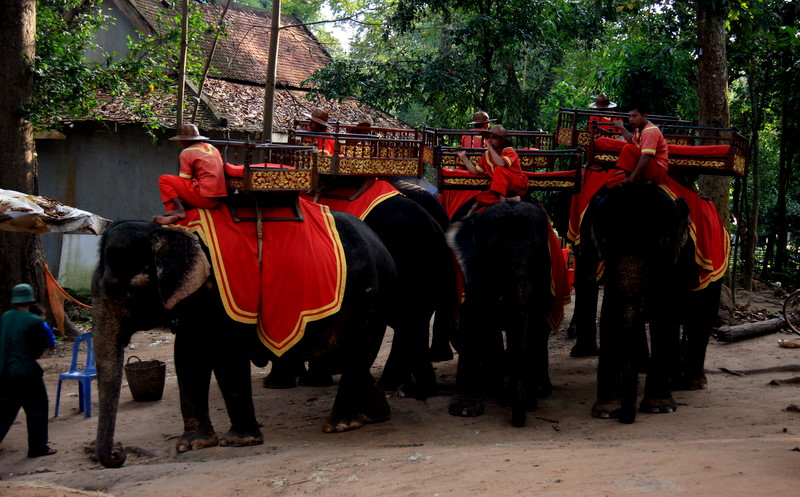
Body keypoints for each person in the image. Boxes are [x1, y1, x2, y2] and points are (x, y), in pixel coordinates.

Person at [0, 284, 58, 458]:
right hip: (26, 371)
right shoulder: (35, 321)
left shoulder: (5, 317)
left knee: (5, 411)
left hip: (4, 370)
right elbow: (40, 347)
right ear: (31, 299)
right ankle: (38, 447)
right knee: (37, 409)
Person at [154, 123, 227, 225]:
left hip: (204, 197)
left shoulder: (187, 152)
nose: (180, 143)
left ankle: (176, 212)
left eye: (180, 140)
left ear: (184, 140)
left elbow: (185, 179)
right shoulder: (212, 148)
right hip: (217, 198)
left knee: (164, 179)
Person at [456, 125, 528, 207]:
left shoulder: (509, 151)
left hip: (515, 185)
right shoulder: (487, 154)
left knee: (499, 169)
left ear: (502, 140)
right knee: (480, 198)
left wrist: (490, 148)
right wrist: (463, 157)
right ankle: (509, 200)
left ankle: (502, 200)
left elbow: (501, 164)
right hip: (500, 190)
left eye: (494, 138)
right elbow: (476, 171)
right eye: (489, 138)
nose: (490, 140)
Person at [600, 104, 668, 186]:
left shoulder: (649, 131)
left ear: (644, 116)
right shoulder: (639, 128)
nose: (631, 119)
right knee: (630, 146)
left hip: (657, 170)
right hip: (651, 165)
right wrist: (621, 127)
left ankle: (633, 178)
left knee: (628, 148)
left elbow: (646, 156)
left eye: (635, 116)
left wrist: (631, 178)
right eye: (629, 116)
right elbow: (631, 141)